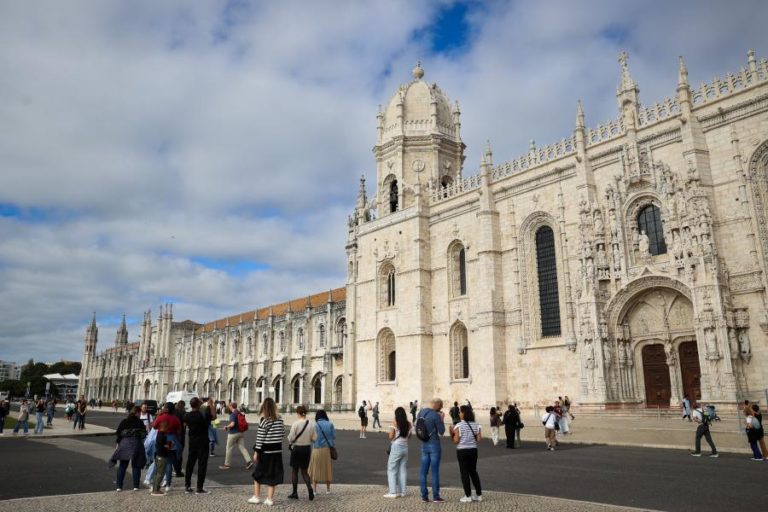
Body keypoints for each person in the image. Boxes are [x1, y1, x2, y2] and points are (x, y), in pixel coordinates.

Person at [248, 397, 285, 506]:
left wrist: (256, 453)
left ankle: (256, 496)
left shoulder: (264, 421)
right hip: (277, 451)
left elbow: (260, 439)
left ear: (264, 408)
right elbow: (282, 434)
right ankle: (269, 499)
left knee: (257, 474)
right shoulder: (280, 420)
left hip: (266, 452)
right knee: (273, 475)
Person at [451, 405, 483, 503]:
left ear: (464, 413)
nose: (459, 414)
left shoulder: (458, 426)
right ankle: (479, 495)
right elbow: (479, 439)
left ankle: (468, 496)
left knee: (464, 473)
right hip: (473, 450)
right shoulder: (477, 425)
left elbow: (456, 441)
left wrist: (452, 434)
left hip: (462, 451)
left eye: (460, 412)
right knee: (473, 472)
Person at [111, 406, 147, 491]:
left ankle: (119, 486)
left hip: (125, 444)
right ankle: (135, 486)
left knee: (123, 466)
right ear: (137, 413)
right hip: (136, 444)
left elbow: (118, 433)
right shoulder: (140, 422)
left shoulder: (124, 421)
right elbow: (144, 435)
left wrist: (118, 443)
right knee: (136, 466)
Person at [418, 398, 446, 503]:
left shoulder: (421, 412)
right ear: (438, 406)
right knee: (434, 472)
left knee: (423, 472)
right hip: (434, 445)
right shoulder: (436, 415)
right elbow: (442, 431)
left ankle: (424, 496)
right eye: (441, 406)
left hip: (424, 444)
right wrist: (442, 419)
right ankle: (435, 496)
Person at [383, 406, 413, 499]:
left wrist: (392, 432)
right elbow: (410, 436)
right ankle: (403, 491)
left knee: (391, 469)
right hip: (405, 447)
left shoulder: (395, 423)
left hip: (396, 447)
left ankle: (393, 492)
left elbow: (391, 436)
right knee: (402, 469)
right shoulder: (409, 424)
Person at [286, 405, 315, 500]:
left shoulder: (295, 424)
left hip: (297, 448)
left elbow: (290, 437)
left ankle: (295, 492)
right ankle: (310, 489)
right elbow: (315, 438)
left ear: (298, 413)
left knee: (295, 470)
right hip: (307, 448)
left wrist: (291, 441)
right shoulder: (311, 424)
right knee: (304, 471)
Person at [183, 397, 212, 494]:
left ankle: (187, 485)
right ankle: (199, 487)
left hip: (192, 441)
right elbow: (214, 417)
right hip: (203, 441)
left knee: (190, 463)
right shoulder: (203, 415)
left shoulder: (187, 415)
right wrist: (211, 405)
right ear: (199, 405)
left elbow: (185, 424)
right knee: (202, 464)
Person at [153, 402, 182, 491]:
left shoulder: (161, 417)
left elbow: (154, 426)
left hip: (161, 439)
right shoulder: (175, 418)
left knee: (158, 462)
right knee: (169, 463)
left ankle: (155, 484)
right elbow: (179, 429)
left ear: (166, 409)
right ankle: (168, 484)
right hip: (172, 440)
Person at [308, 409, 335, 495]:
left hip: (316, 449)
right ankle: (328, 490)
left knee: (315, 469)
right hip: (326, 449)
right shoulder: (330, 424)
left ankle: (314, 490)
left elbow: (311, 438)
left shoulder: (314, 425)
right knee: (327, 469)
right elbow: (333, 437)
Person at [220, 402, 253, 470]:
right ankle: (249, 461)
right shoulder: (239, 413)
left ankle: (227, 464)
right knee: (242, 448)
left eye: (229, 406)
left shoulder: (233, 414)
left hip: (233, 433)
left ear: (231, 406)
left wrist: (226, 427)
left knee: (229, 448)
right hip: (240, 433)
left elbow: (232, 424)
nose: (229, 407)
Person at [151, 418, 174, 496]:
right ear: (164, 427)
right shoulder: (162, 436)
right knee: (160, 473)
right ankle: (156, 490)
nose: (168, 429)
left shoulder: (159, 434)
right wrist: (169, 446)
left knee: (157, 473)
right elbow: (163, 446)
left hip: (158, 455)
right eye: (167, 427)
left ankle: (155, 488)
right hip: (162, 456)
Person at [173, 401, 187, 477]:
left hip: (173, 434)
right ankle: (178, 470)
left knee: (173, 452)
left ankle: (175, 468)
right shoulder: (183, 413)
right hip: (180, 434)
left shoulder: (174, 412)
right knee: (179, 453)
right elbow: (185, 424)